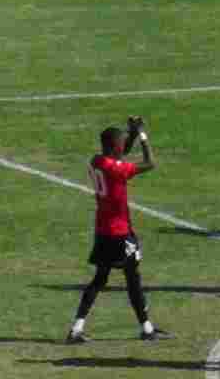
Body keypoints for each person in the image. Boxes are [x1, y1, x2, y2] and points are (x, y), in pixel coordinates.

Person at [66, 117, 173, 344]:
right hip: (120, 232)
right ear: (115, 146)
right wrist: (142, 135)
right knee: (133, 278)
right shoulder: (115, 169)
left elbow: (119, 155)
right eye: (122, 142)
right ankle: (146, 329)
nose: (124, 145)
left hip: (103, 230)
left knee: (99, 279)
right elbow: (149, 163)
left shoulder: (96, 161)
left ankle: (76, 328)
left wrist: (131, 133)